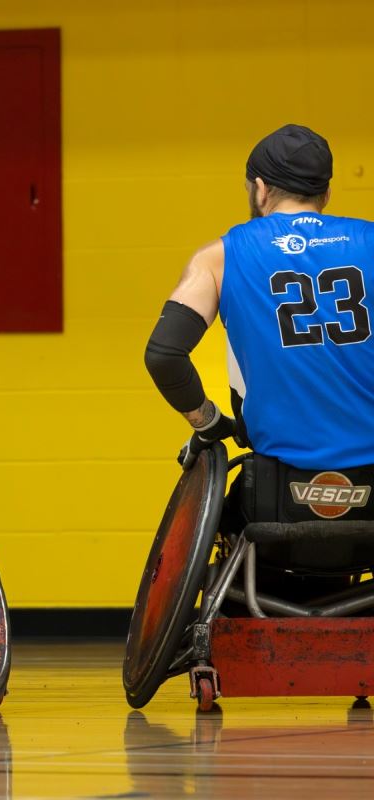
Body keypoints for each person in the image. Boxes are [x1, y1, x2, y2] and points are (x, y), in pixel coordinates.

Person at [144, 124, 374, 582]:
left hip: (275, 500)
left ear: (261, 188)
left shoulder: (221, 257)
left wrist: (208, 421)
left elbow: (164, 355)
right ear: (325, 193)